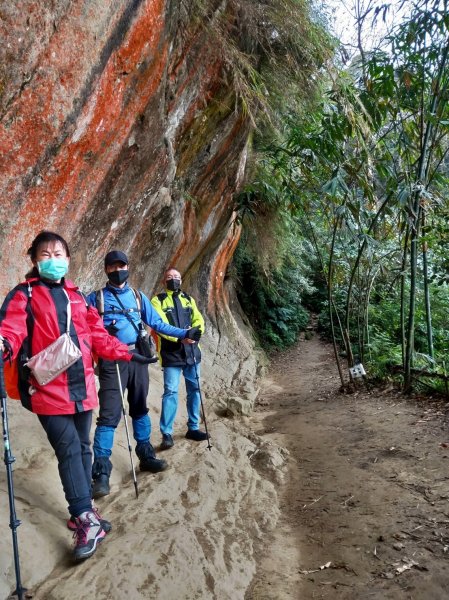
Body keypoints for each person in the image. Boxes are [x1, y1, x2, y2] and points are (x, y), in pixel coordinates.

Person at [0, 231, 152, 561]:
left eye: (58, 253)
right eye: (45, 254)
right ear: (34, 259)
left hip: (83, 388)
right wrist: (3, 346)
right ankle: (85, 518)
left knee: (82, 447)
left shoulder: (78, 296)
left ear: (68, 260)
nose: (52, 259)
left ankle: (86, 511)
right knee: (69, 449)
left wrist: (127, 353)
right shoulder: (23, 295)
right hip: (45, 390)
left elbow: (97, 334)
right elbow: (10, 330)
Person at [87, 251, 201, 499]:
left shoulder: (138, 297)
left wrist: (184, 333)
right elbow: (84, 329)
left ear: (128, 266)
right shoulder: (96, 299)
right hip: (112, 362)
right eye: (113, 266)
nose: (119, 270)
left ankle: (146, 455)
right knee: (108, 415)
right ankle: (101, 472)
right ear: (106, 270)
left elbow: (158, 324)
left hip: (138, 358)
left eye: (122, 265)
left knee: (139, 408)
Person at [151, 267, 208, 451]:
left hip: (192, 351)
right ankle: (166, 433)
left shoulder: (188, 299)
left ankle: (193, 427)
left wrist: (195, 335)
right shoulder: (157, 300)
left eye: (176, 277)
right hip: (171, 353)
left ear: (181, 280)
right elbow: (159, 325)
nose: (173, 279)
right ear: (163, 281)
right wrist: (179, 336)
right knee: (170, 392)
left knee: (194, 389)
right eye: (169, 277)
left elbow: (199, 320)